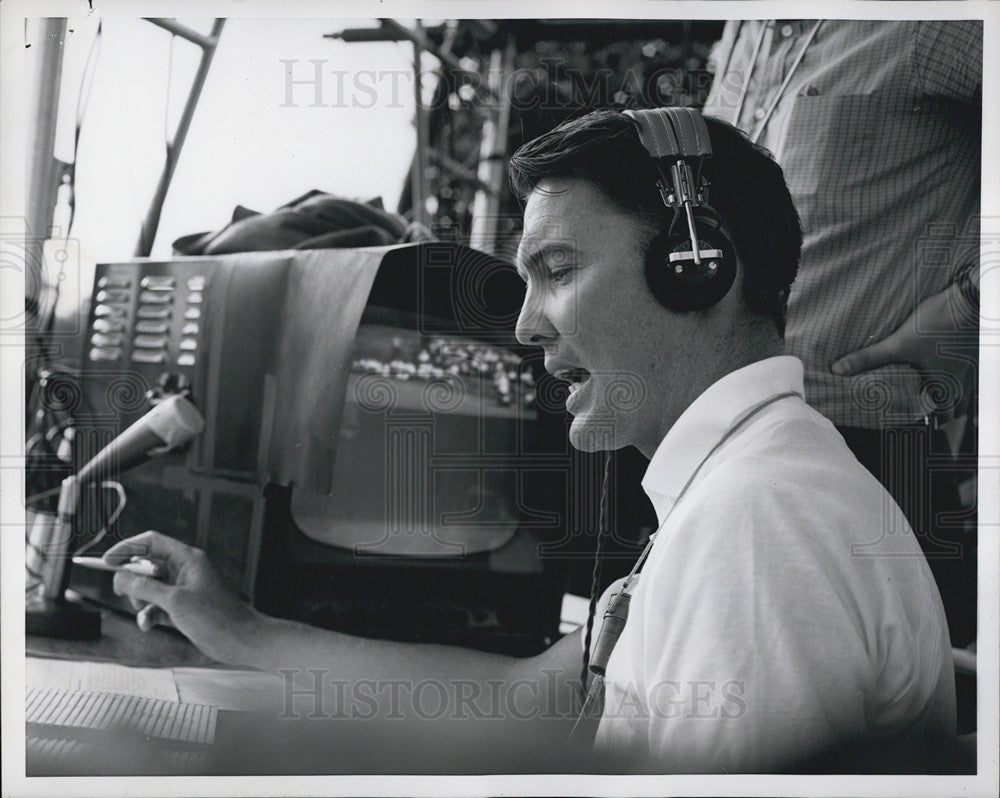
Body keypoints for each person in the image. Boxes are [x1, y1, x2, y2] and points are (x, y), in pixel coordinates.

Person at [104, 108, 955, 774]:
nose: (524, 325)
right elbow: (516, 701)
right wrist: (235, 628)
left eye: (559, 271)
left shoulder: (759, 525)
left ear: (698, 267)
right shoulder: (747, 485)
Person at [701, 20, 982, 648]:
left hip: (863, 445)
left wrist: (974, 303)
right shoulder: (748, 25)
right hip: (718, 434)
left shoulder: (931, 17)